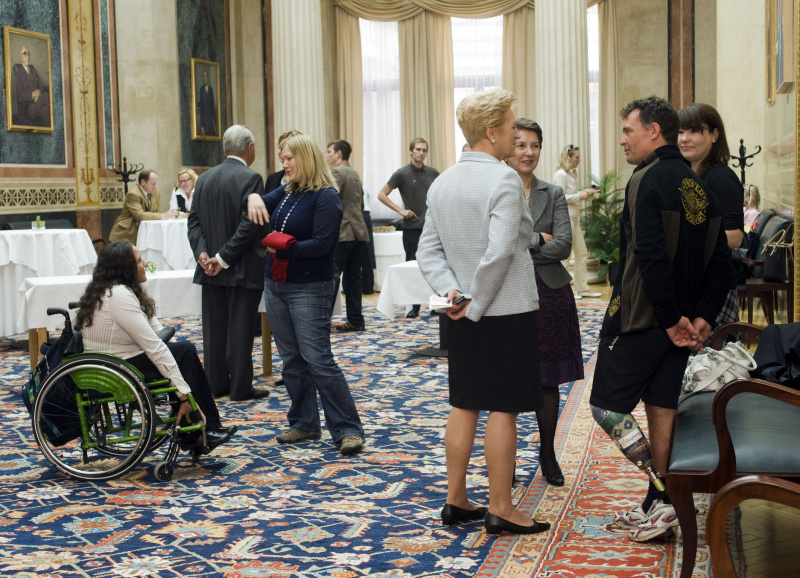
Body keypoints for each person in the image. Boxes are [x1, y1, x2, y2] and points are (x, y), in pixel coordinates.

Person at [589, 96, 733, 542]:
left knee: (607, 406)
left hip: (642, 319)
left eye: (628, 131)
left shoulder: (646, 179)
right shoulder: (698, 183)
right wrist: (703, 317)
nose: (622, 140)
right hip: (682, 323)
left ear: (654, 131)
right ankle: (663, 503)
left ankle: (666, 492)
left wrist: (672, 321)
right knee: (660, 408)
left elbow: (649, 257)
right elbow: (721, 261)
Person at [416, 89, 550, 536]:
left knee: (465, 403)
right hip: (505, 311)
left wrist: (454, 294)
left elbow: (428, 252)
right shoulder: (504, 180)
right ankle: (501, 508)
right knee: (504, 409)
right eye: (512, 127)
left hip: (460, 312)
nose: (517, 134)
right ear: (492, 132)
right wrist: (475, 302)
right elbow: (499, 256)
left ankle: (455, 499)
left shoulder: (442, 182)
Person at [246, 134, 365, 456]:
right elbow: (256, 204)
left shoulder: (326, 196)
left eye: (288, 159)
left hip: (310, 285)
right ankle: (304, 423)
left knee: (318, 359)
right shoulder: (288, 191)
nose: (283, 165)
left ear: (306, 158)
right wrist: (254, 198)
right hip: (277, 283)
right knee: (292, 359)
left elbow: (323, 245)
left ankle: (348, 429)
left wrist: (282, 245)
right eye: (282, 159)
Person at [74, 241, 237, 450]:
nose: (145, 263)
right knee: (183, 352)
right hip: (114, 369)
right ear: (126, 268)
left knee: (181, 353)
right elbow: (154, 347)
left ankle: (200, 430)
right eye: (139, 260)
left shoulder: (113, 291)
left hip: (114, 362)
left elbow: (157, 332)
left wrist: (180, 373)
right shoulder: (119, 296)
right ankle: (205, 428)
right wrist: (182, 394)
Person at [506, 118, 584, 487]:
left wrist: (522, 245)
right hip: (505, 292)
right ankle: (504, 456)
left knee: (547, 380)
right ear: (508, 147)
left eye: (534, 145)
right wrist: (539, 238)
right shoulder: (496, 187)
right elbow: (492, 247)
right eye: (521, 144)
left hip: (550, 293)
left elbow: (564, 245)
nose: (528, 152)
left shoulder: (551, 192)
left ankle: (548, 453)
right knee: (505, 379)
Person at [187, 125, 270, 401]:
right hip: (239, 268)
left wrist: (203, 254)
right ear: (249, 148)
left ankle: (216, 384)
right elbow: (250, 226)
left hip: (209, 269)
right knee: (240, 330)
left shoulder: (204, 179)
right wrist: (222, 258)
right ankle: (241, 388)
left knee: (214, 330)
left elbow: (194, 221)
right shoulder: (251, 178)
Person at [678, 103, 744, 342]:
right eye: (680, 132)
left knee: (714, 365)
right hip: (694, 280)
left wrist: (687, 241)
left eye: (694, 131)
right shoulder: (689, 176)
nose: (685, 139)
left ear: (714, 135)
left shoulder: (722, 177)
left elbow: (735, 235)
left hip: (713, 285)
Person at [378, 138, 440, 318]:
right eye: (418, 149)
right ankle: (413, 307)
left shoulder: (433, 173)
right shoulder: (401, 174)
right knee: (413, 266)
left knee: (436, 266)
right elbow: (382, 195)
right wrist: (400, 210)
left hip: (431, 228)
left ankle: (436, 305)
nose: (421, 153)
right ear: (411, 151)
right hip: (411, 228)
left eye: (424, 150)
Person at [326, 139, 369, 331]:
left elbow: (329, 203)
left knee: (331, 276)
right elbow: (359, 205)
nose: (326, 156)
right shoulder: (354, 173)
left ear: (338, 154)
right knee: (353, 278)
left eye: (329, 152)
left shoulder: (336, 172)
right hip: (359, 231)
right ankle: (356, 320)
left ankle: (321, 320)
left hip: (343, 233)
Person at [553, 145, 601, 299]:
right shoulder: (561, 174)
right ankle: (563, 290)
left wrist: (584, 193)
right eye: (577, 157)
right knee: (566, 256)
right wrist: (580, 196)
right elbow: (559, 197)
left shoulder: (573, 173)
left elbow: (571, 194)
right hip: (565, 218)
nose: (579, 160)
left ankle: (582, 288)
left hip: (575, 218)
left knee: (582, 253)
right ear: (568, 158)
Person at [110, 169, 178, 244]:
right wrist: (163, 216)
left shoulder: (156, 192)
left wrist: (161, 215)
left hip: (146, 234)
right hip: (126, 235)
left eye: (156, 183)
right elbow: (139, 215)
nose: (155, 186)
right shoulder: (133, 194)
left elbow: (158, 212)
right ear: (143, 182)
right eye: (153, 184)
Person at [12, 44, 50, 126]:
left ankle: (45, 137)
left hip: (39, 103)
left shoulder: (33, 70)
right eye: (25, 54)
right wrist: (33, 94)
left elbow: (41, 86)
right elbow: (20, 95)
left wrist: (38, 92)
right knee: (47, 96)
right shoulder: (18, 73)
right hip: (29, 108)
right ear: (21, 57)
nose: (27, 57)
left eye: (28, 54)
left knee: (45, 110)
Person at [198, 69, 217, 137]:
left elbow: (212, 107)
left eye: (206, 76)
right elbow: (201, 109)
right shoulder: (201, 90)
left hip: (211, 122)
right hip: (205, 122)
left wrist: (214, 125)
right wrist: (202, 127)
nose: (205, 78)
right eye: (203, 76)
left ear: (207, 77)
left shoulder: (211, 90)